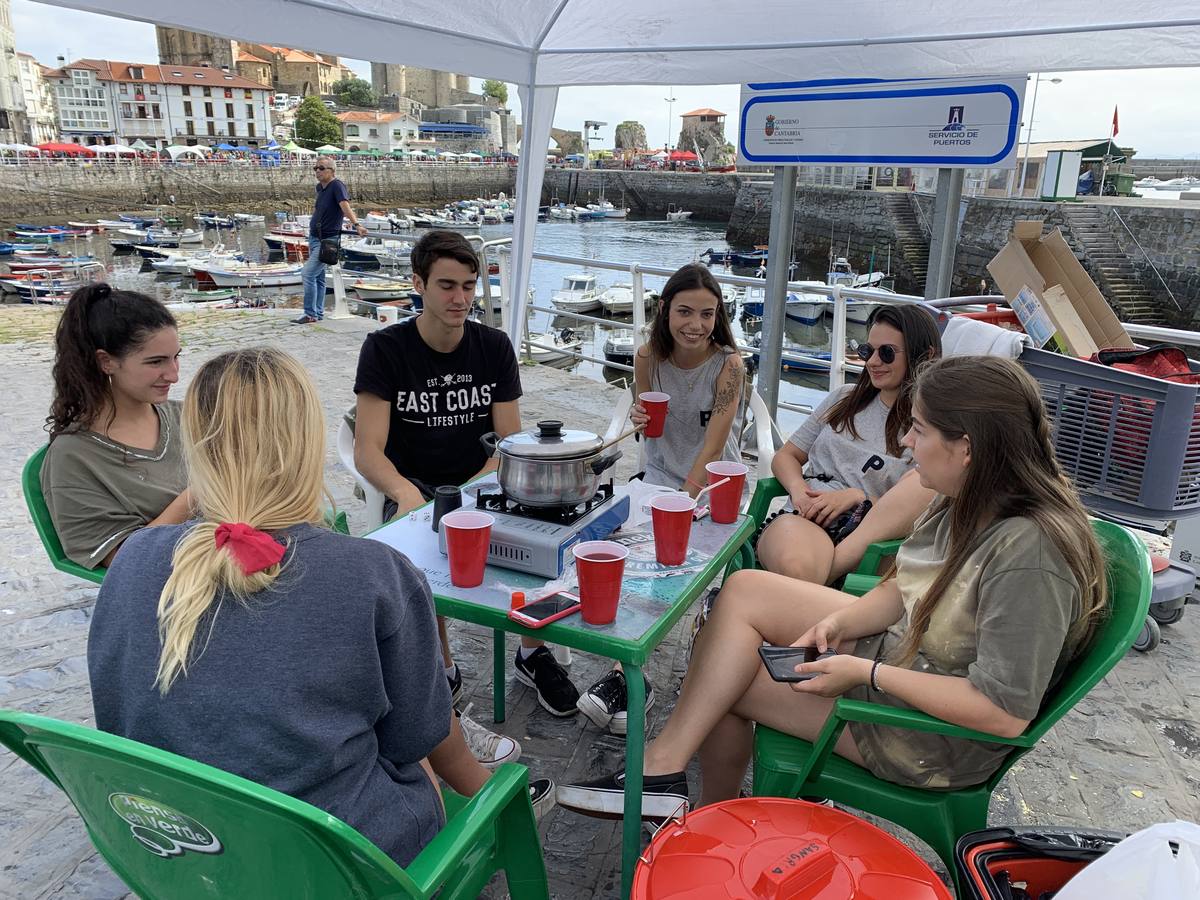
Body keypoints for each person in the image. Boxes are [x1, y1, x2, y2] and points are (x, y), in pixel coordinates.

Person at [557, 356, 1108, 818]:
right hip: (911, 657)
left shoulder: (1031, 555)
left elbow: (1002, 713)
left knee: (722, 678)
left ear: (966, 446)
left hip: (932, 735)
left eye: (918, 429)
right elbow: (906, 588)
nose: (908, 444)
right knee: (745, 589)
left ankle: (687, 800)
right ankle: (675, 786)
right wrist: (840, 624)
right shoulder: (973, 492)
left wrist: (864, 671)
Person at [88, 348, 552, 870]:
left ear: (196, 447)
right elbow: (425, 738)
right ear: (307, 443)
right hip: (333, 865)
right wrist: (494, 795)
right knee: (415, 749)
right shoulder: (374, 573)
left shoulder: (133, 560)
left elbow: (116, 713)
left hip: (174, 847)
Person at [353, 229, 581, 718]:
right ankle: (442, 666)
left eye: (469, 286)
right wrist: (404, 492)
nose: (460, 298)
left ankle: (531, 650)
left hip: (484, 478)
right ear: (418, 283)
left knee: (544, 535)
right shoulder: (385, 349)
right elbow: (367, 449)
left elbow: (509, 443)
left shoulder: (493, 346)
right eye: (447, 285)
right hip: (414, 484)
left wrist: (480, 485)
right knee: (416, 566)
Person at [576, 263, 745, 736]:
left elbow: (714, 446)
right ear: (665, 309)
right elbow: (648, 427)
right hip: (656, 477)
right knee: (618, 560)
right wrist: (635, 414)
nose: (696, 324)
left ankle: (628, 678)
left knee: (664, 564)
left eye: (707, 314)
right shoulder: (647, 356)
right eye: (685, 311)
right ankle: (627, 672)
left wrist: (684, 501)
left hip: (711, 487)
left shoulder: (729, 365)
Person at [755, 304, 942, 586]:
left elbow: (917, 505)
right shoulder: (844, 399)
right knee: (799, 567)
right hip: (806, 520)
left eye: (887, 353)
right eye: (868, 351)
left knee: (800, 577)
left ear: (924, 356)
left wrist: (856, 497)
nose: (872, 362)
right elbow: (787, 457)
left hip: (868, 539)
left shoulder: (927, 430)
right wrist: (800, 492)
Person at [41, 283, 191, 570]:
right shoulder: (73, 456)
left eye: (176, 357)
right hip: (174, 589)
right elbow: (121, 559)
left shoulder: (187, 416)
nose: (173, 375)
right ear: (106, 361)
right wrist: (197, 497)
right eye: (156, 361)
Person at [294, 156, 367, 324]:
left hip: (327, 239)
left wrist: (357, 224)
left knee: (307, 273)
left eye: (321, 168)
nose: (317, 171)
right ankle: (317, 313)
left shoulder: (337, 186)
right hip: (315, 237)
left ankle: (310, 313)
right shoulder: (320, 188)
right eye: (316, 168)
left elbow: (344, 206)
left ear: (332, 170)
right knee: (318, 277)